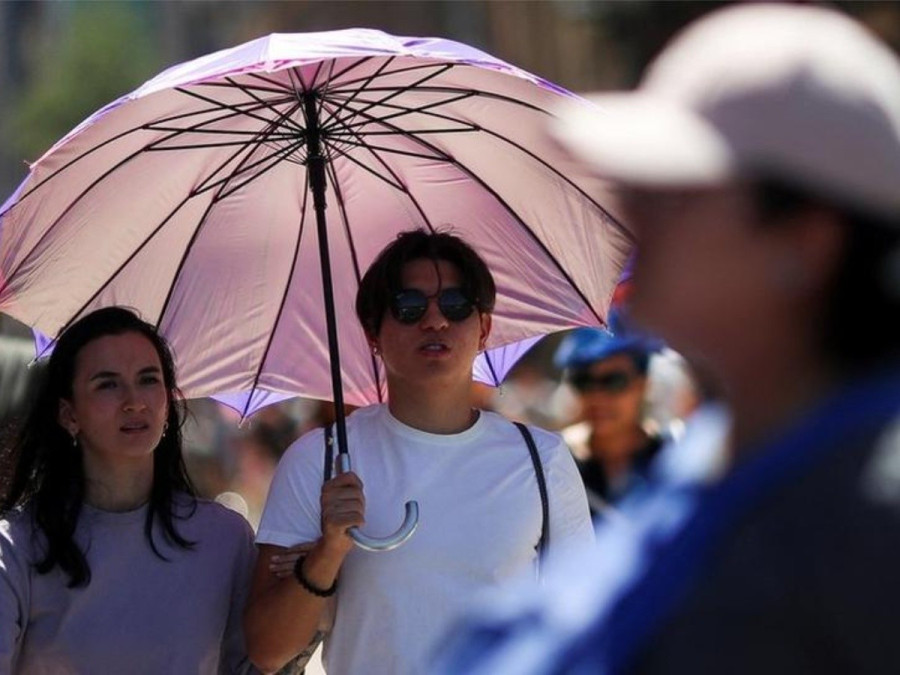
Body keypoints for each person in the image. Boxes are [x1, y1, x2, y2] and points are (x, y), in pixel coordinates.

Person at [433, 4, 900, 673]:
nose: (632, 214)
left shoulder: (872, 519)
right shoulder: (726, 447)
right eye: (635, 187)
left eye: (672, 192)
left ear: (807, 242)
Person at [243, 229, 594, 674]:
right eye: (409, 307)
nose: (435, 321)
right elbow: (267, 650)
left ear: (483, 327)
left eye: (456, 305)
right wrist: (328, 551)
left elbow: (586, 621)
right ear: (373, 332)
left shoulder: (541, 460)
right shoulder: (320, 459)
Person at [0, 306, 258, 673]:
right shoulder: (15, 548)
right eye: (107, 384)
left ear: (169, 401)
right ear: (68, 414)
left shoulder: (227, 539)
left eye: (149, 379)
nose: (134, 401)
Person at [554, 310, 665, 514]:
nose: (597, 397)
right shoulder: (553, 466)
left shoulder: (673, 462)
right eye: (583, 382)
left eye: (613, 381)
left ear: (643, 385)